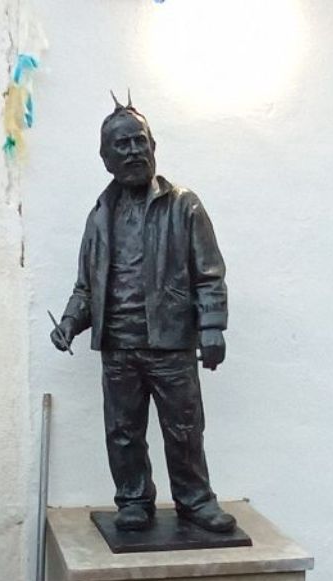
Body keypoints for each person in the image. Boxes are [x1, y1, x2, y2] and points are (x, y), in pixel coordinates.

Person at [49, 98, 236, 533]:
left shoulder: (183, 205)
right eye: (122, 145)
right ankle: (133, 499)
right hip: (118, 346)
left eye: (140, 141)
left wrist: (212, 327)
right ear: (106, 159)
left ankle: (194, 500)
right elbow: (86, 285)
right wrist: (69, 323)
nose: (133, 151)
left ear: (154, 146)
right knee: (122, 431)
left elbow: (209, 273)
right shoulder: (99, 217)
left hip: (170, 343)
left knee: (184, 428)